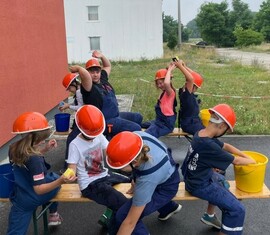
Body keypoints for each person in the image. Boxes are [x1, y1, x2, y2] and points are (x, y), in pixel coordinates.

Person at [181, 104, 256, 235]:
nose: (224, 132)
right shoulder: (208, 145)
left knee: (221, 177)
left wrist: (245, 155)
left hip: (193, 176)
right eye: (226, 130)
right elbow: (236, 162)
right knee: (237, 210)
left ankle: (209, 215)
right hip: (199, 185)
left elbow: (226, 146)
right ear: (222, 126)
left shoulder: (201, 134)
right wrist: (252, 161)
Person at [7, 111, 76, 235]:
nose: (44, 142)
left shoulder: (13, 148)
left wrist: (44, 150)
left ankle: (53, 214)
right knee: (54, 179)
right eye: (42, 140)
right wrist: (61, 180)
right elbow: (39, 189)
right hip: (34, 196)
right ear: (35, 139)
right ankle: (53, 214)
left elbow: (28, 162)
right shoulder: (35, 160)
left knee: (15, 231)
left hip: (20, 195)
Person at [66, 105, 131, 231]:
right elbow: (71, 167)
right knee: (122, 204)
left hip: (104, 176)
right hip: (90, 185)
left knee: (131, 181)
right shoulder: (75, 144)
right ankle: (113, 229)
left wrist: (124, 159)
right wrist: (69, 175)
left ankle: (108, 214)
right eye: (92, 134)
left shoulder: (98, 135)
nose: (94, 136)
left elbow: (109, 153)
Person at [106, 131, 182, 235]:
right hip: (164, 173)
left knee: (123, 215)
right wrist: (135, 180)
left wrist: (139, 188)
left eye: (120, 167)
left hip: (166, 188)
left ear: (134, 162)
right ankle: (169, 208)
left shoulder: (147, 179)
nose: (119, 170)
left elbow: (130, 223)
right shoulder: (135, 138)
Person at [69, 50, 143, 139]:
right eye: (92, 72)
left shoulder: (103, 79)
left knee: (138, 117)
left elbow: (107, 66)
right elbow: (85, 76)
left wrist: (101, 56)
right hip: (105, 122)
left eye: (97, 71)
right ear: (87, 73)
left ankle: (112, 136)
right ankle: (113, 140)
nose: (95, 74)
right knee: (136, 128)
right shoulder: (88, 87)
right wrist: (79, 68)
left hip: (116, 115)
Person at [142, 64, 177, 138]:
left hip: (166, 124)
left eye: (161, 83)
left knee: (147, 134)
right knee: (142, 124)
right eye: (158, 84)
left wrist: (170, 70)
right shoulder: (163, 92)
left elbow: (167, 83)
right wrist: (167, 72)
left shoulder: (170, 92)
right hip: (160, 121)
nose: (159, 85)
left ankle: (146, 146)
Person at [60, 72, 84, 171]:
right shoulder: (81, 89)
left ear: (73, 84)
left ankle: (68, 168)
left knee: (71, 139)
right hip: (82, 119)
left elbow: (81, 107)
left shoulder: (79, 92)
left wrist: (68, 106)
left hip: (83, 120)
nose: (70, 91)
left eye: (69, 88)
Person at [175, 59, 204, 135]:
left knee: (208, 131)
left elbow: (192, 76)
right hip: (189, 124)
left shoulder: (185, 90)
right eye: (196, 87)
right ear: (192, 86)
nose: (196, 89)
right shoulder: (187, 94)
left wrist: (185, 67)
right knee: (205, 134)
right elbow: (191, 79)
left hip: (193, 122)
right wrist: (180, 66)